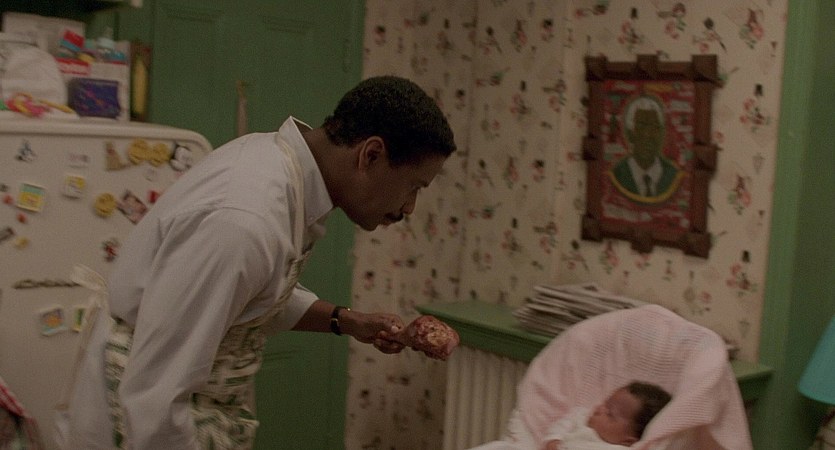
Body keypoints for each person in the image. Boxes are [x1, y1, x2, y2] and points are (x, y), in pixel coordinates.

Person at [56, 75, 457, 449]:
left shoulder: (280, 169)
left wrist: (346, 321)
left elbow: (254, 291)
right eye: (414, 187)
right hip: (141, 421)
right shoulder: (245, 220)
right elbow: (154, 398)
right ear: (371, 154)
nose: (409, 207)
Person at [541, 381, 672, 450]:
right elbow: (561, 426)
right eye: (605, 403)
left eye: (610, 414)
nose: (599, 409)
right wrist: (553, 440)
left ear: (627, 441)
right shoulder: (582, 417)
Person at [608, 95, 683, 204]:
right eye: (641, 126)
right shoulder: (618, 174)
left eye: (655, 127)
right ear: (630, 134)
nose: (648, 135)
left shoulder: (673, 176)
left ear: (662, 134)